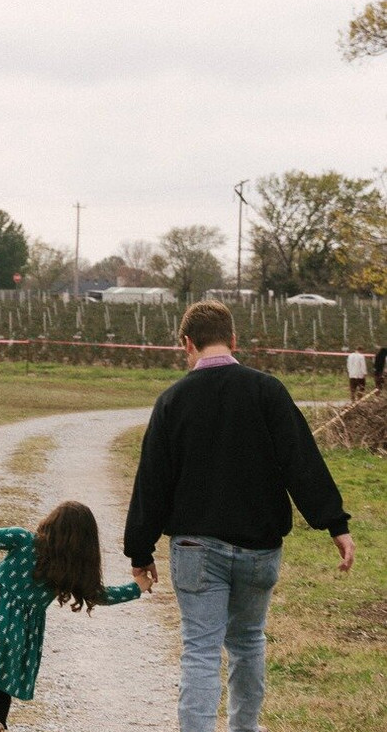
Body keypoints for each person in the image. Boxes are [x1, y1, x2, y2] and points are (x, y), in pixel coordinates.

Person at [124, 299, 355, 732]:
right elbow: (301, 460)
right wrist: (334, 524)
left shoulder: (172, 401)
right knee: (248, 642)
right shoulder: (268, 391)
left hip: (194, 549)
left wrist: (140, 551)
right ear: (233, 339)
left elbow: (151, 482)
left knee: (201, 650)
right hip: (258, 547)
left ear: (186, 344)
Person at [0, 501, 151, 732]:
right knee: (1, 693)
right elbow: (101, 595)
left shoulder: (22, 540)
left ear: (51, 523)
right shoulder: (67, 572)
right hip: (13, 642)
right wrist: (136, 588)